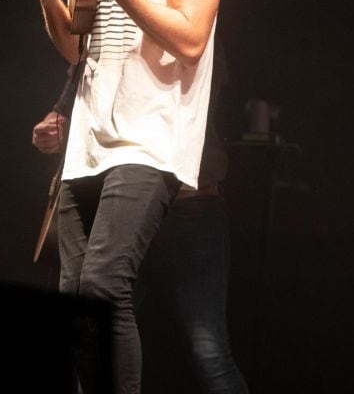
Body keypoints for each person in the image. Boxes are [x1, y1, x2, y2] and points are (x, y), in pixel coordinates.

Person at [33, 0, 230, 394]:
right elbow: (75, 44)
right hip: (88, 138)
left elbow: (191, 37)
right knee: (75, 299)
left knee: (104, 285)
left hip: (150, 138)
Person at [31, 53, 249, 394]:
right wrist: (56, 125)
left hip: (187, 213)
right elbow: (73, 97)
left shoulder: (184, 19)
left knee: (208, 351)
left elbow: (193, 92)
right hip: (120, 209)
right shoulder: (104, 32)